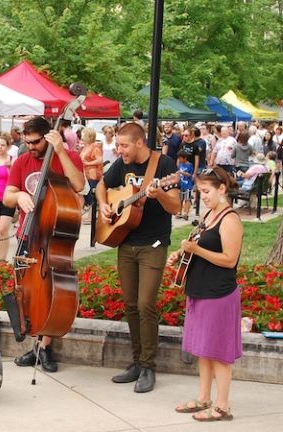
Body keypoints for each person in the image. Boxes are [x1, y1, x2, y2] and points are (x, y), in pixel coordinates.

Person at [96, 122, 180, 393]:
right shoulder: (121, 164)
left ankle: (148, 366)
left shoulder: (164, 165)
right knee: (130, 303)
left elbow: (176, 206)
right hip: (126, 240)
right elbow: (102, 185)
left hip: (153, 243)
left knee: (146, 304)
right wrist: (104, 205)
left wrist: (159, 195)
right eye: (118, 145)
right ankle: (136, 362)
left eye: (123, 145)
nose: (118, 150)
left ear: (139, 143)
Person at [4, 116, 86, 373]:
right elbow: (7, 195)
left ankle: (45, 346)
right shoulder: (22, 161)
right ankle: (35, 344)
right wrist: (18, 195)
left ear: (48, 136)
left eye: (36, 142)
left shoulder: (67, 156)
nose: (31, 147)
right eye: (27, 142)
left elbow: (80, 185)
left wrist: (59, 150)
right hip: (28, 234)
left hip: (53, 236)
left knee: (51, 290)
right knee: (29, 290)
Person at [167, 167, 242, 422]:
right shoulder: (210, 214)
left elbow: (229, 260)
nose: (203, 196)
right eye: (200, 191)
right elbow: (199, 245)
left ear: (222, 189)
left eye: (207, 191)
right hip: (199, 290)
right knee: (203, 349)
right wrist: (182, 254)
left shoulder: (229, 219)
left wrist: (196, 250)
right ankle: (203, 397)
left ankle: (222, 405)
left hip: (218, 294)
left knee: (219, 352)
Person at [79, 127, 103, 221]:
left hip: (93, 174)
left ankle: (91, 216)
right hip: (86, 174)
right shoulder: (87, 146)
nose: (82, 137)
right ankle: (88, 215)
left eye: (83, 135)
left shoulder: (95, 147)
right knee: (85, 194)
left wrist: (88, 163)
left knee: (91, 195)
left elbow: (100, 160)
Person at [176, 151, 195, 220]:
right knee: (180, 199)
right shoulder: (180, 165)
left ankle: (186, 213)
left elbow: (190, 175)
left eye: (180, 158)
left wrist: (182, 173)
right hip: (181, 184)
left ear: (185, 158)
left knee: (187, 199)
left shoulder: (189, 165)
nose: (179, 160)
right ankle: (179, 212)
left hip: (188, 185)